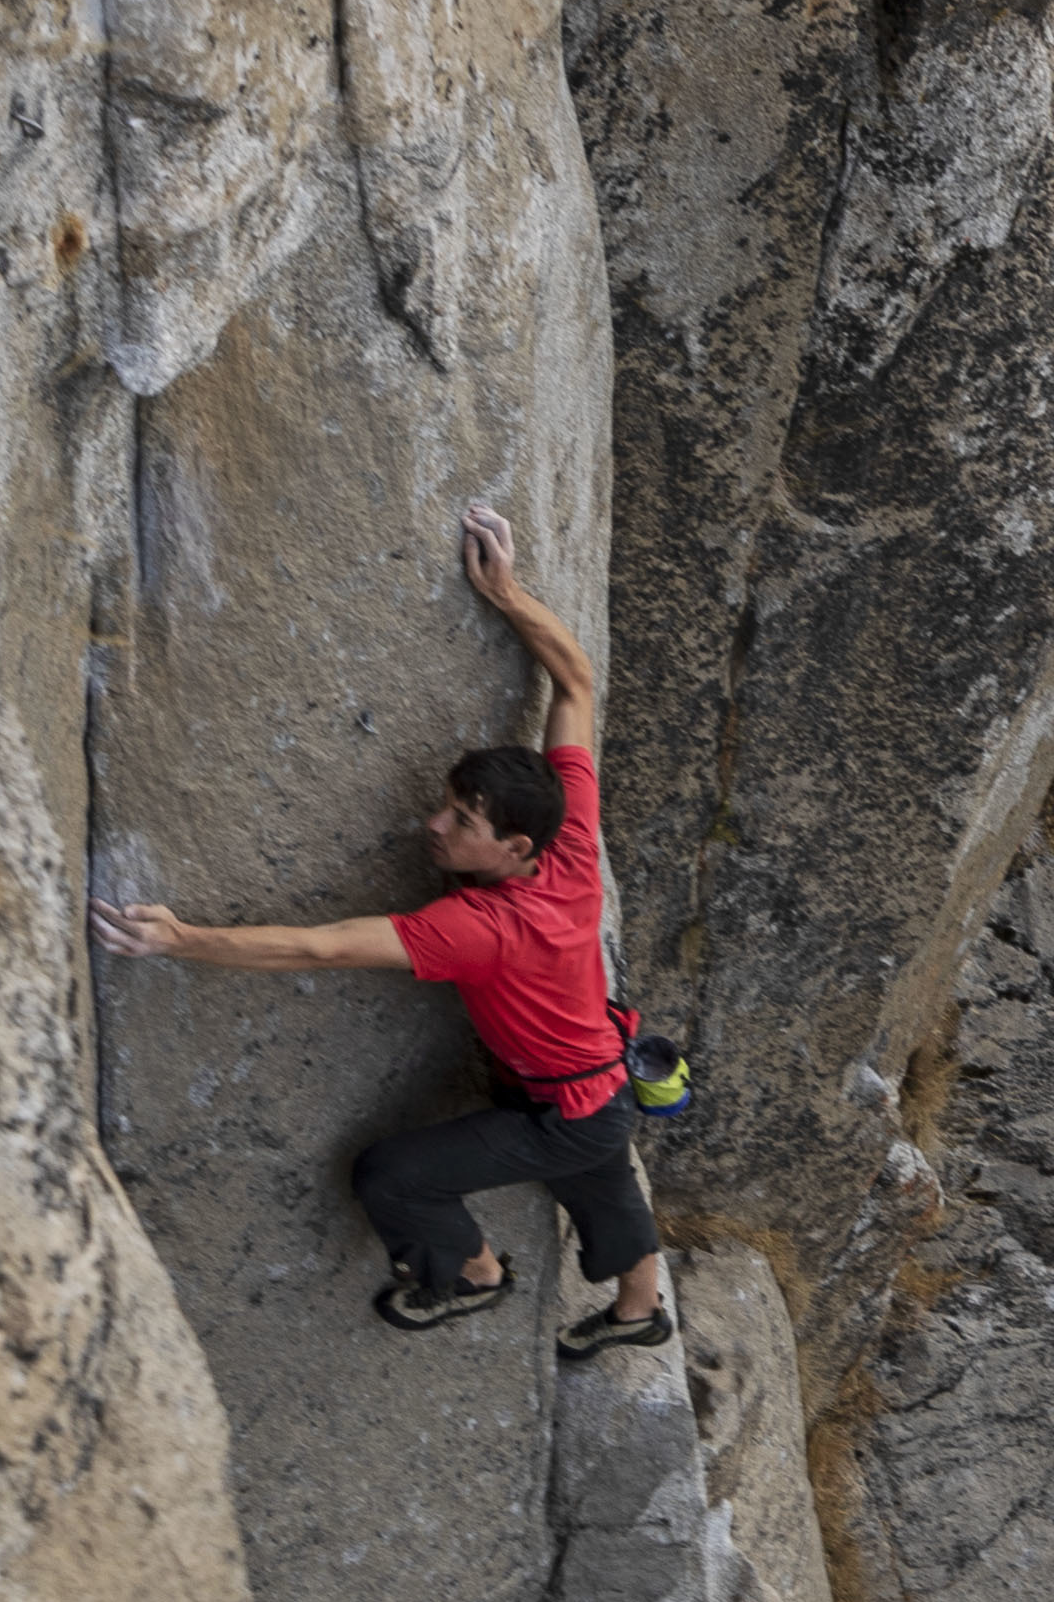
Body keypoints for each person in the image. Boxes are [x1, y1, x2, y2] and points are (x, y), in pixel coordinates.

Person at [94, 508, 670, 1357]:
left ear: (513, 847)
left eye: (461, 820)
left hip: (569, 1098)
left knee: (394, 1176)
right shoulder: (568, 837)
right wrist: (505, 594)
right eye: (448, 802)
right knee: (600, 1165)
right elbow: (576, 682)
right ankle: (638, 1311)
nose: (435, 826)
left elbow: (319, 947)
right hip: (597, 1078)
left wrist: (182, 939)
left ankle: (472, 1275)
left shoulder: (481, 929)